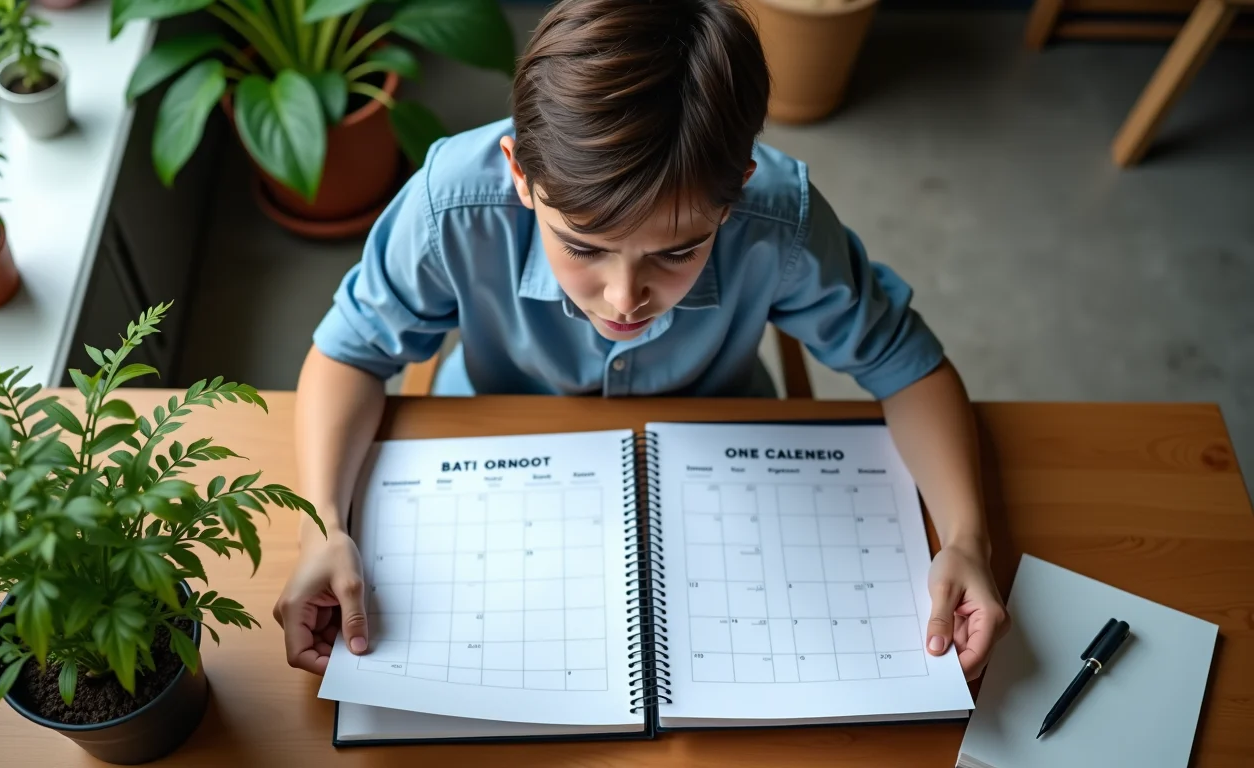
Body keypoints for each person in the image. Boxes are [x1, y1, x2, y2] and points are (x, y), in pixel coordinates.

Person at [273, 0, 1009, 683]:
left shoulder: (779, 216)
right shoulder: (451, 203)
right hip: (493, 448)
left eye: (678, 251)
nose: (626, 300)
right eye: (583, 247)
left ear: (737, 190)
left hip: (722, 453)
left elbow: (908, 367)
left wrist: (967, 540)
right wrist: (323, 528)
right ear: (521, 175)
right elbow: (350, 353)